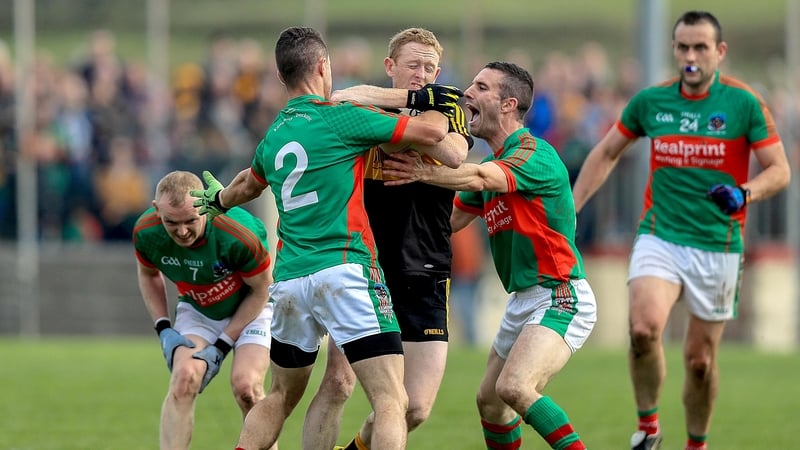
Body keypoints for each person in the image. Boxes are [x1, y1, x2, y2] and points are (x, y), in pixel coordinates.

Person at [189, 26, 463, 450]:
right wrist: (428, 97)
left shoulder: (274, 134)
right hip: (346, 270)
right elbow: (431, 135)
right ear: (323, 67)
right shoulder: (340, 118)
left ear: (281, 78)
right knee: (392, 400)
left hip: (291, 281)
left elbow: (247, 185)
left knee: (280, 396)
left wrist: (219, 200)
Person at [570, 11, 790, 450]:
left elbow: (779, 171)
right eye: (683, 47)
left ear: (719, 52)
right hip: (660, 235)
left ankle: (696, 443)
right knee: (644, 328)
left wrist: (745, 193)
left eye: (700, 48)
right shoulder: (651, 102)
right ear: (674, 50)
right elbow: (607, 152)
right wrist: (570, 214)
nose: (691, 57)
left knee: (700, 361)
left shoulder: (743, 104)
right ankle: (648, 429)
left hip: (718, 243)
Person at [384, 61, 596, 450]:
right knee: (491, 403)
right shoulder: (491, 165)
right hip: (523, 300)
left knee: (514, 386)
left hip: (561, 295)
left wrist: (422, 172)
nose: (468, 93)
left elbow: (481, 179)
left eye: (481, 88)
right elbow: (445, 223)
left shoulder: (534, 154)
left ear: (508, 104)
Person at [300, 27, 472, 450]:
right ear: (390, 67)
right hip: (366, 267)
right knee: (339, 383)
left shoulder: (448, 109)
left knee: (415, 408)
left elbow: (454, 154)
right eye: (413, 65)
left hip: (427, 267)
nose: (423, 75)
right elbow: (337, 99)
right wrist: (401, 107)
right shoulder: (365, 114)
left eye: (431, 67)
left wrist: (415, 129)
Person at [132, 170, 275, 450]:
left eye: (190, 221)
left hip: (252, 309)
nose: (182, 231)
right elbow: (148, 275)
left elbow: (262, 289)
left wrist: (222, 345)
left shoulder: (239, 233)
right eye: (171, 222)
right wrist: (163, 327)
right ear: (156, 209)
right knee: (184, 379)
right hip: (199, 308)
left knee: (247, 387)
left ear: (206, 210)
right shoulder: (146, 232)